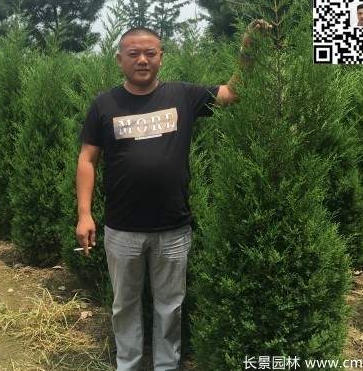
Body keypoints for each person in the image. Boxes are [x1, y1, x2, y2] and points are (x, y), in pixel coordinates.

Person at [75, 20, 270, 371]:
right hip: (122, 229)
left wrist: (249, 50)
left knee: (169, 306)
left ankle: (166, 366)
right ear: (119, 59)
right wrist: (85, 214)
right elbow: (87, 159)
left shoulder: (183, 95)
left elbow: (232, 93)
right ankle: (128, 365)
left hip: (173, 228)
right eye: (134, 53)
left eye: (150, 53)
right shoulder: (104, 104)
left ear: (161, 57)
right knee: (125, 305)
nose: (142, 60)